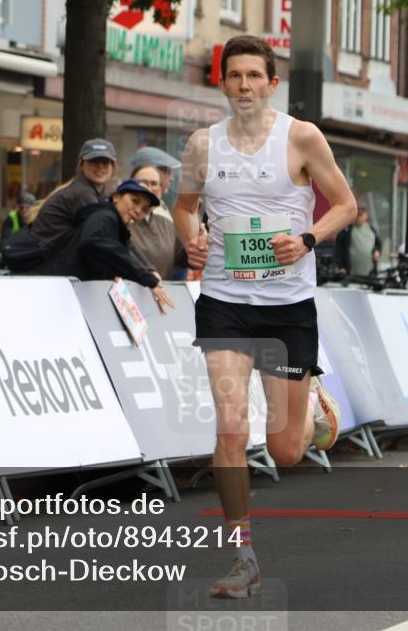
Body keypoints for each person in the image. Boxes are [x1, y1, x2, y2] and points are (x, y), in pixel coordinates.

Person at [174, 35, 356, 599]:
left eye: (255, 76)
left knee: (284, 450)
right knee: (230, 425)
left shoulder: (301, 137)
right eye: (235, 76)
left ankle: (315, 410)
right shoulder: (203, 146)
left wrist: (306, 239)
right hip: (226, 302)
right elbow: (182, 207)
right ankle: (242, 556)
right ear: (222, 83)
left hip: (287, 308)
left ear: (272, 83)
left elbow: (346, 206)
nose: (245, 86)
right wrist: (193, 241)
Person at [45, 179, 175, 313]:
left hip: (71, 297)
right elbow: (96, 243)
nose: (138, 210)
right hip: (61, 297)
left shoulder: (114, 224)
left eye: (145, 210)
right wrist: (146, 277)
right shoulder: (105, 216)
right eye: (134, 201)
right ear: (116, 197)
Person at [31, 139, 118, 244]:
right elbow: (100, 234)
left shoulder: (86, 189)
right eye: (94, 161)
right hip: (49, 256)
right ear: (81, 165)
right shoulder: (82, 193)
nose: (100, 166)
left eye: (105, 162)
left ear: (113, 167)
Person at [128, 164, 187, 279]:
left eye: (154, 184)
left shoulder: (167, 221)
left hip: (161, 294)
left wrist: (197, 239)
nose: (149, 188)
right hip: (126, 293)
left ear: (161, 189)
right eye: (143, 182)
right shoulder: (120, 218)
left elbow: (182, 258)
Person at [333, 205, 381, 277]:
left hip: (370, 271)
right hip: (351, 272)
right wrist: (341, 266)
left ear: (366, 216)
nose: (358, 217)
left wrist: (377, 251)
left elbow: (378, 244)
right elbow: (338, 250)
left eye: (361, 215)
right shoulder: (346, 231)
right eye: (357, 214)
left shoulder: (372, 229)